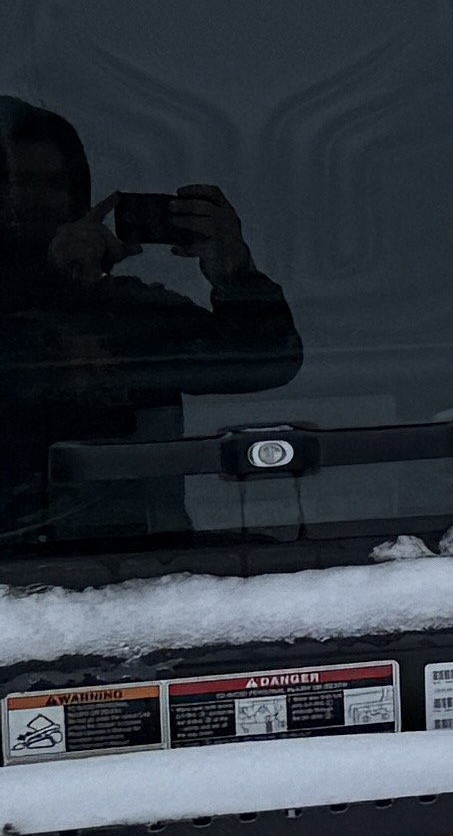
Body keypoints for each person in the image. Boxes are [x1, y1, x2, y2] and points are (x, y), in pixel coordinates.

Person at [0, 100, 306, 546]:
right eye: (16, 183)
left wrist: (234, 271)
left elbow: (268, 362)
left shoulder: (126, 309)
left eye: (53, 184)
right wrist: (48, 280)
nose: (37, 200)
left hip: (138, 570)